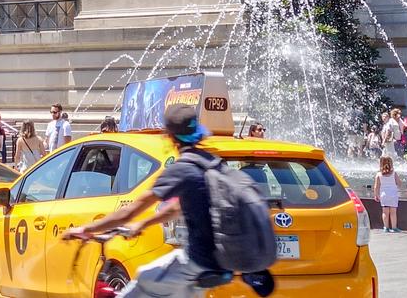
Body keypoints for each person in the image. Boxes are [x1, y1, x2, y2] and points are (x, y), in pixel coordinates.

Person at [67, 103, 269, 298]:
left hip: (195, 261)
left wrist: (86, 230)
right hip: (216, 263)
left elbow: (129, 212)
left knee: (143, 280)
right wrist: (143, 224)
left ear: (170, 136)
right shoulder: (211, 163)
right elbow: (177, 207)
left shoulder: (181, 169)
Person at [375, 154, 401, 232]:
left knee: (385, 212)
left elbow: (376, 186)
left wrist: (376, 195)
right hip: (393, 194)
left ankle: (386, 227)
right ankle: (394, 227)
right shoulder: (394, 173)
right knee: (393, 212)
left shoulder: (379, 175)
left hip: (384, 195)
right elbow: (399, 183)